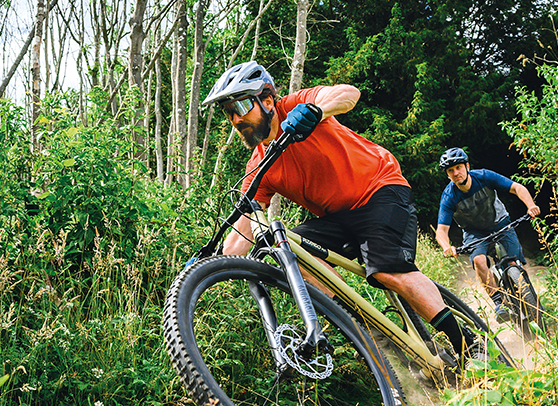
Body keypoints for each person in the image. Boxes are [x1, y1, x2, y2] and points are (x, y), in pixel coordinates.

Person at [200, 60, 468, 357]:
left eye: (239, 108)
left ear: (266, 101)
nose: (235, 120)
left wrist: (316, 111)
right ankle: (364, 325)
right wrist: (205, 269)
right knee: (289, 249)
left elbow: (347, 93)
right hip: (337, 217)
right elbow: (242, 233)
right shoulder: (259, 166)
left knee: (387, 271)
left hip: (379, 188)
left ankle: (469, 345)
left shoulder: (296, 105)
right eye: (228, 114)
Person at [435, 147, 540, 317]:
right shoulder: (449, 196)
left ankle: (530, 297)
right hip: (474, 232)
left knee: (516, 263)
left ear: (467, 166)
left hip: (500, 222)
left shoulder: (484, 176)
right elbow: (441, 230)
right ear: (447, 175)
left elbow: (516, 188)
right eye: (450, 171)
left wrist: (531, 206)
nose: (456, 173)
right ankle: (499, 302)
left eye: (458, 168)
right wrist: (446, 246)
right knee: (479, 261)